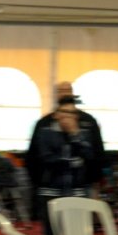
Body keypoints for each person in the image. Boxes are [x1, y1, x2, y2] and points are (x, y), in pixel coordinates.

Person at [26, 81, 107, 220]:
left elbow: (95, 154)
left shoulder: (87, 123)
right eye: (61, 90)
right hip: (50, 189)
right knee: (53, 234)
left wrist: (95, 182)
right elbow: (37, 157)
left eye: (67, 90)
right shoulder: (44, 126)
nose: (65, 93)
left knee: (79, 232)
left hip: (80, 188)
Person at [31, 96, 99, 235]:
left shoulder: (83, 134)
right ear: (56, 114)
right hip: (50, 192)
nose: (69, 117)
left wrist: (75, 134)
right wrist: (73, 162)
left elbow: (89, 156)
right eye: (65, 112)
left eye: (73, 113)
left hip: (77, 192)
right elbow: (46, 159)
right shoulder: (45, 133)